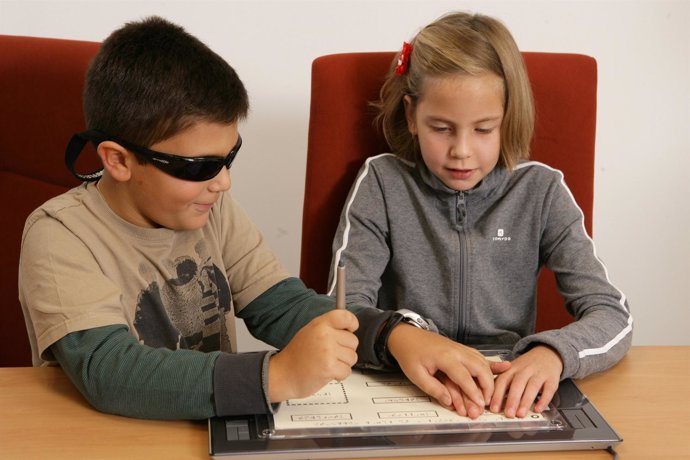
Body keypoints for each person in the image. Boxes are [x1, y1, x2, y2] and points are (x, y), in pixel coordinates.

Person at [18, 16, 497, 421]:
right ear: (118, 160)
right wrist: (277, 376)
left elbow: (280, 305)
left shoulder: (209, 206)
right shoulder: (61, 235)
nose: (222, 182)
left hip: (210, 428)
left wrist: (395, 336)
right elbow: (108, 372)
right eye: (200, 166)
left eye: (229, 158)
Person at [328, 11, 633, 419]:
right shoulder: (382, 183)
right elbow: (341, 311)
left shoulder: (541, 192)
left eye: (484, 129)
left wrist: (553, 355)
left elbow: (612, 316)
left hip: (505, 392)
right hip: (404, 385)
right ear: (410, 115)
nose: (462, 151)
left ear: (508, 119)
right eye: (441, 128)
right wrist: (401, 336)